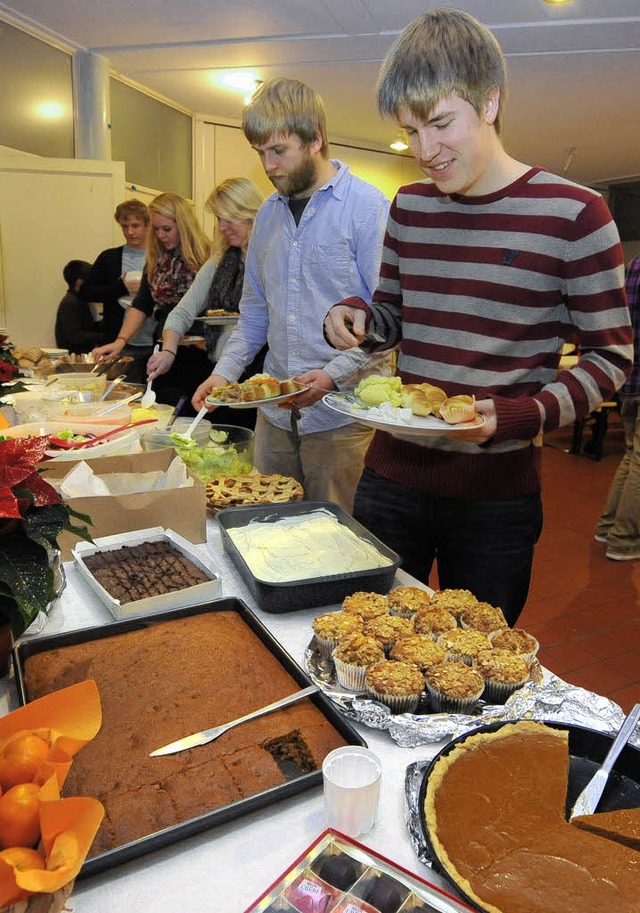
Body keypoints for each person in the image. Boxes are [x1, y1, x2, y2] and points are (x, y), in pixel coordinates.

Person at [323, 8, 632, 624]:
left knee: (477, 671)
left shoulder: (576, 214)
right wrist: (356, 315)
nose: (424, 152)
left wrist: (522, 415)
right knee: (366, 639)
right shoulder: (410, 206)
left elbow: (612, 358)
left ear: (490, 103)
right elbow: (394, 314)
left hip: (495, 496)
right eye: (411, 132)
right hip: (391, 475)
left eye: (440, 124)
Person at [192, 77, 391, 511]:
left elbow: (386, 319)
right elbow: (255, 313)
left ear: (315, 138)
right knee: (267, 531)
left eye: (278, 151)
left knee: (336, 541)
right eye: (260, 153)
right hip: (274, 414)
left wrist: (331, 376)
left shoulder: (367, 207)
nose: (268, 165)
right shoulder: (267, 215)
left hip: (341, 412)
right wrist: (224, 374)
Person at [145, 178, 266, 427]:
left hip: (259, 378)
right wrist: (168, 351)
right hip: (220, 372)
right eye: (218, 219)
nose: (222, 227)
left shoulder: (270, 260)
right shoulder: (219, 262)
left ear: (251, 215)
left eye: (228, 218)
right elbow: (181, 313)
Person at [92, 192, 211, 407]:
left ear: (183, 225)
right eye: (156, 229)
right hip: (164, 347)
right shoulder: (156, 259)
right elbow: (142, 305)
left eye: (167, 229)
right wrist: (120, 341)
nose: (160, 235)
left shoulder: (207, 256)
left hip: (200, 350)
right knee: (161, 406)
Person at [594, 256, 640, 561]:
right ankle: (624, 540)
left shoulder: (634, 265)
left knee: (630, 455)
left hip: (631, 379)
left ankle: (608, 526)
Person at [79, 199, 154, 379]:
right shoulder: (109, 257)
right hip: (118, 340)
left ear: (147, 225)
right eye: (125, 226)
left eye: (135, 225)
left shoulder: (158, 255)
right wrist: (120, 288)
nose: (130, 232)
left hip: (154, 338)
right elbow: (85, 292)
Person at [54, 260, 103, 354]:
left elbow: (88, 328)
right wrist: (103, 336)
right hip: (75, 359)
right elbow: (75, 336)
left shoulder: (80, 301)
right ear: (80, 283)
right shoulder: (70, 302)